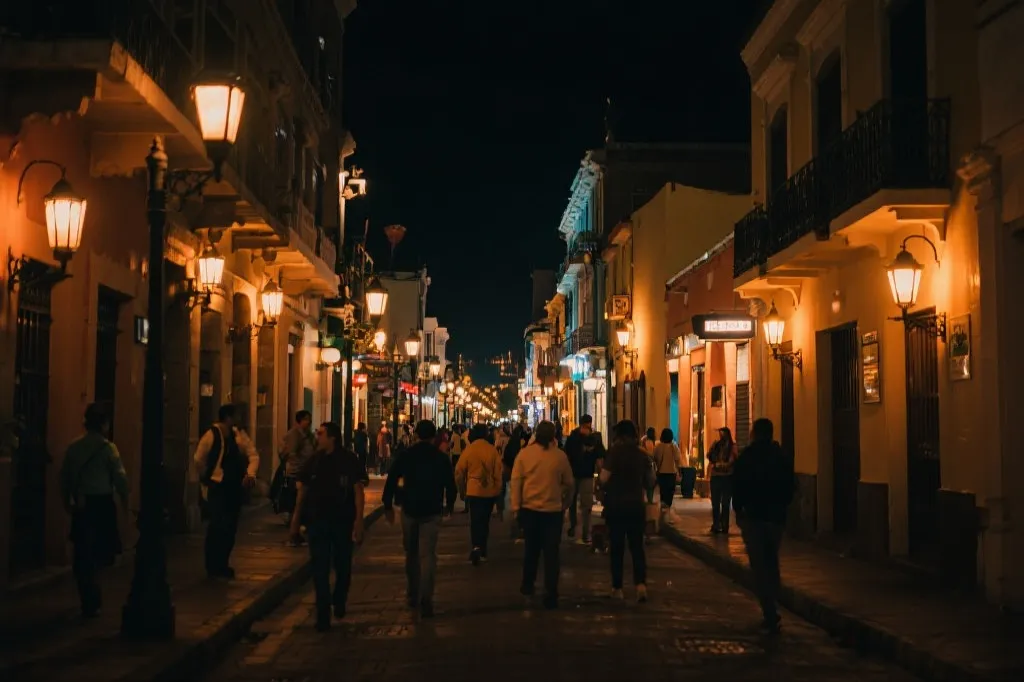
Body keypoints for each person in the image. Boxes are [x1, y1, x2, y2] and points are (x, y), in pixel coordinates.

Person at [295, 422, 367, 631]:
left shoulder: (348, 460)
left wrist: (359, 521)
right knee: (319, 568)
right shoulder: (314, 460)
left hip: (342, 522)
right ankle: (323, 614)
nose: (317, 437)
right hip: (317, 522)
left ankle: (340, 598)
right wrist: (296, 521)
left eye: (321, 433)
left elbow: (358, 490)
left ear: (332, 437)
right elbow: (303, 490)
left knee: (343, 565)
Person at [59, 404, 129, 617]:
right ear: (104, 424)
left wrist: (67, 501)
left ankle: (87, 595)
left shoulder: (74, 447)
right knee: (99, 552)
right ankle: (93, 596)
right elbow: (120, 478)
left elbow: (65, 478)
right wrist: (125, 501)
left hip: (82, 504)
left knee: (82, 551)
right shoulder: (108, 449)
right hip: (102, 504)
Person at [382, 420, 457, 618]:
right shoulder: (440, 458)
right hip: (432, 510)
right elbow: (450, 484)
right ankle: (427, 597)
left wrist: (387, 504)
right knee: (428, 555)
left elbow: (391, 478)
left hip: (409, 509)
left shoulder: (407, 455)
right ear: (434, 437)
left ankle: (412, 593)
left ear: (416, 435)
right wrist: (449, 505)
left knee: (411, 553)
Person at [732, 418, 795, 634]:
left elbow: (737, 485)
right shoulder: (781, 457)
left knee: (759, 565)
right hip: (776, 518)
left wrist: (739, 510)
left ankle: (769, 610)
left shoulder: (747, 457)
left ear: (754, 433)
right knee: (772, 560)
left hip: (754, 517)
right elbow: (790, 486)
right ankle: (772, 603)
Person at [510, 420, 573, 609]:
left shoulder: (524, 455)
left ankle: (528, 586)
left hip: (530, 510)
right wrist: (564, 503)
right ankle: (551, 592)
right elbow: (569, 484)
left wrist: (516, 507)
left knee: (531, 551)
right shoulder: (560, 457)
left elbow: (516, 482)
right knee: (551, 553)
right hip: (552, 511)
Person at [195, 404, 259, 579]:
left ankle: (223, 563)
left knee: (230, 527)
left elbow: (253, 454)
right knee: (217, 525)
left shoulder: (239, 435)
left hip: (234, 486)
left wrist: (250, 474)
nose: (239, 419)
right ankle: (213, 565)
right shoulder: (211, 435)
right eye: (237, 415)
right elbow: (199, 458)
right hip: (218, 486)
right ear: (228, 417)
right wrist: (206, 479)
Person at [599, 420, 653, 602]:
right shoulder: (642, 455)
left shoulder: (614, 454)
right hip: (636, 506)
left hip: (616, 506)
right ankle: (641, 586)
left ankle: (617, 587)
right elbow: (651, 480)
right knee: (637, 547)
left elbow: (604, 478)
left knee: (617, 548)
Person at [455, 424, 504, 565]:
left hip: (473, 489)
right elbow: (498, 474)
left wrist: (462, 489)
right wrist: (497, 489)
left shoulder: (469, 450)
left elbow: (459, 471)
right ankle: (483, 549)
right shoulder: (492, 450)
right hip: (489, 490)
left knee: (475, 520)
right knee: (485, 520)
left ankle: (476, 546)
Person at [564, 414, 604, 543]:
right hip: (574, 474)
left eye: (589, 425)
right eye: (585, 425)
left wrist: (600, 475)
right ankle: (573, 526)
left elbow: (599, 457)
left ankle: (586, 532)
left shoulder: (595, 438)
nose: (587, 428)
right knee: (572, 501)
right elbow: (567, 456)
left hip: (586, 475)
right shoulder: (573, 438)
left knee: (586, 505)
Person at [281, 410, 315, 545]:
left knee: (303, 504)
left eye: (309, 419)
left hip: (307, 473)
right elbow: (290, 453)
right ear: (299, 421)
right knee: (299, 505)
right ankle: (294, 534)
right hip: (298, 474)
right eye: (306, 419)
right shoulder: (295, 434)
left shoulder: (309, 436)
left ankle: (300, 531)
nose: (309, 422)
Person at [708, 426, 739, 534]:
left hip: (727, 477)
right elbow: (710, 456)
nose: (721, 436)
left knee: (725, 503)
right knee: (715, 503)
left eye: (723, 434)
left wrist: (723, 465)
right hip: (716, 476)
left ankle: (724, 525)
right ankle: (716, 525)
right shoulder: (716, 445)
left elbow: (733, 459)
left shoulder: (732, 446)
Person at [653, 428, 683, 511]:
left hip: (661, 473)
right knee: (670, 494)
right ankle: (667, 510)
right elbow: (678, 460)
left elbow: (654, 458)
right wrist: (680, 472)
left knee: (663, 493)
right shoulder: (674, 446)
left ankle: (663, 510)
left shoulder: (658, 446)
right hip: (671, 473)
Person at [640, 427, 658, 503]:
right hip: (650, 463)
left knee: (644, 481)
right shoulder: (653, 441)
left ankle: (644, 499)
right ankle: (649, 499)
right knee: (651, 482)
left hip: (643, 462)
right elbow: (652, 453)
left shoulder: (643, 439)